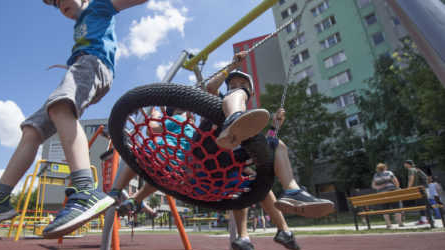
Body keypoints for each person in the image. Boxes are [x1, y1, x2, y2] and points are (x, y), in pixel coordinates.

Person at [0, 0, 149, 238]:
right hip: (81, 66)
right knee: (32, 129)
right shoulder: (80, 24)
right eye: (54, 5)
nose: (60, 5)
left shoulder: (100, 5)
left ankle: (85, 190)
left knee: (60, 108)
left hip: (94, 64)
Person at [205, 51, 335, 219]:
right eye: (232, 85)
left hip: (229, 163)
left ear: (251, 94)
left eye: (242, 84)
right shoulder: (219, 102)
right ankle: (232, 119)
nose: (236, 87)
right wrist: (231, 67)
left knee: (277, 144)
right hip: (209, 153)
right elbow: (210, 87)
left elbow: (262, 147)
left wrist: (274, 126)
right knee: (237, 100)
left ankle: (292, 191)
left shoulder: (249, 122)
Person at [108, 107, 195, 217]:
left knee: (136, 158)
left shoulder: (178, 119)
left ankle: (116, 191)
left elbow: (151, 130)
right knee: (156, 182)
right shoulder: (196, 133)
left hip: (159, 156)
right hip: (174, 172)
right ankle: (135, 200)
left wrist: (155, 116)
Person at [371, 163, 403, 228]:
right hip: (392, 192)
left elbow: (373, 186)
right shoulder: (389, 173)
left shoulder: (376, 175)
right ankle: (400, 223)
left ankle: (388, 224)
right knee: (397, 207)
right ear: (385, 167)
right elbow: (396, 181)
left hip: (382, 194)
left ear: (377, 169)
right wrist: (397, 188)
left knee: (385, 209)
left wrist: (380, 186)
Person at [403, 160, 429, 225]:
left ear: (408, 164)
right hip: (424, 188)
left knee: (420, 204)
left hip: (418, 190)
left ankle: (424, 220)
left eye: (405, 164)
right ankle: (427, 219)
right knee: (424, 204)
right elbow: (426, 178)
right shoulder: (417, 169)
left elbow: (411, 178)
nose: (404, 165)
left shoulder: (410, 169)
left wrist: (408, 189)